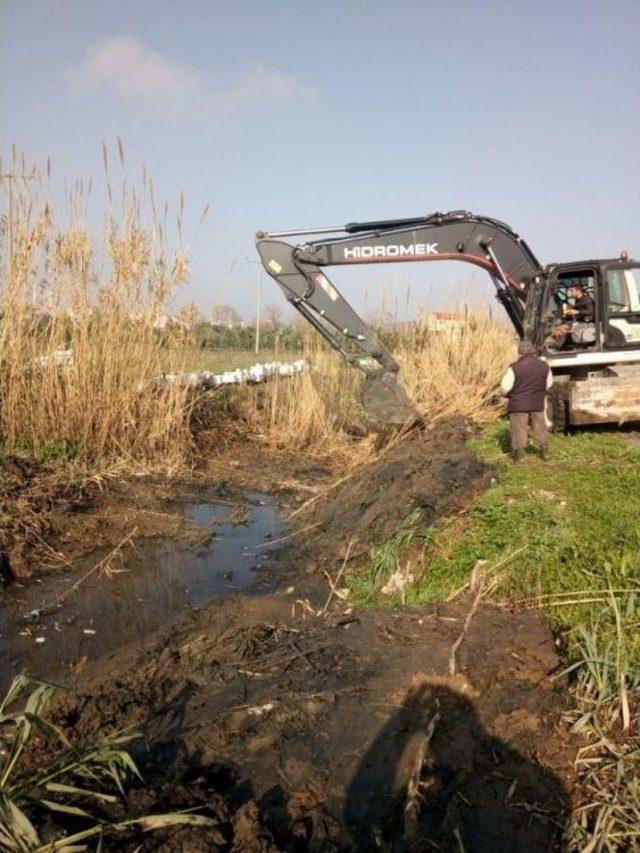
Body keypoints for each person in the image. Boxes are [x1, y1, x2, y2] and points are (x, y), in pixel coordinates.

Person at [500, 340, 553, 462]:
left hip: (518, 404)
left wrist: (507, 395)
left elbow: (504, 387)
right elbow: (548, 384)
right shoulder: (544, 366)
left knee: (519, 428)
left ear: (520, 352)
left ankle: (520, 456)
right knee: (540, 427)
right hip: (537, 403)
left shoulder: (514, 367)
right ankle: (545, 452)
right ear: (533, 352)